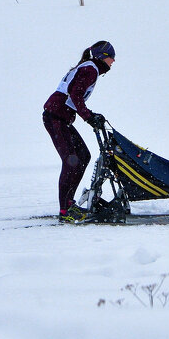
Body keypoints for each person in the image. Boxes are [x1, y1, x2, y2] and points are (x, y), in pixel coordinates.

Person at [42, 41, 115, 223]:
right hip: (55, 116)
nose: (113, 62)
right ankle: (65, 210)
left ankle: (69, 203)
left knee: (83, 156)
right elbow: (75, 95)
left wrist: (90, 116)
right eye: (111, 58)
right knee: (72, 161)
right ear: (101, 57)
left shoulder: (89, 68)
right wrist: (89, 117)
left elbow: (75, 95)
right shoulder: (90, 69)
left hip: (59, 117)